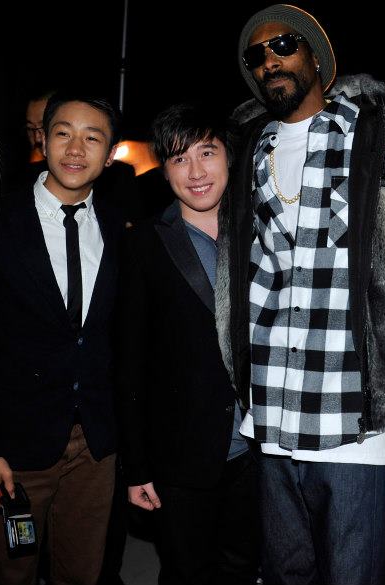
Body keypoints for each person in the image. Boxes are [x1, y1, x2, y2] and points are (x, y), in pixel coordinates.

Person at [218, 3, 385, 585]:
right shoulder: (249, 145)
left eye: (284, 46)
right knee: (286, 571)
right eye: (258, 55)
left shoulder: (375, 131)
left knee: (352, 574)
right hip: (272, 400)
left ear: (316, 57)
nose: (270, 61)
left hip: (354, 401)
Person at [0, 92, 126, 585]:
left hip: (94, 446)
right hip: (15, 446)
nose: (76, 149)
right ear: (42, 140)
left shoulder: (119, 227)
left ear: (111, 152)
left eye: (92, 138)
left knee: (83, 574)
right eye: (63, 133)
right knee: (10, 574)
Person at [124, 103, 260, 585]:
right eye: (180, 159)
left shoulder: (263, 233)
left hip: (259, 446)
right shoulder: (143, 244)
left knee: (243, 568)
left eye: (208, 153)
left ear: (230, 157)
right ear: (164, 170)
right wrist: (137, 466)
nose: (197, 171)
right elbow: (130, 362)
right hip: (180, 452)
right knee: (186, 572)